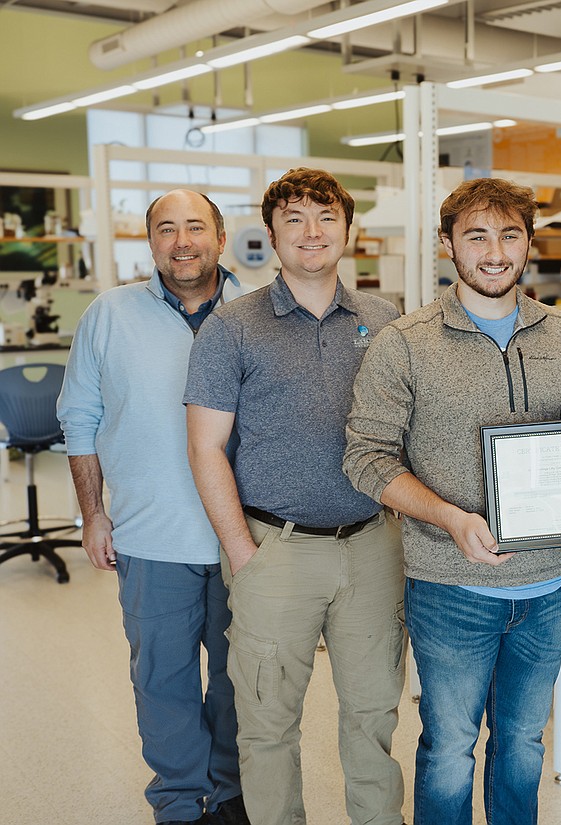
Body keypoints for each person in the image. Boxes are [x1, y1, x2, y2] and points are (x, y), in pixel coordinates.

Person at [342, 177, 561, 825]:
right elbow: (366, 456)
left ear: (528, 243)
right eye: (476, 235)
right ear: (447, 245)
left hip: (547, 585)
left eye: (510, 234)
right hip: (450, 587)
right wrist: (450, 517)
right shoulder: (406, 342)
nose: (494, 251)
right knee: (450, 747)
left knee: (521, 744)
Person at [183, 168, 405, 825]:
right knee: (268, 719)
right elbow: (204, 448)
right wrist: (242, 552)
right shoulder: (231, 328)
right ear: (271, 233)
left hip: (370, 547)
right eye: (296, 218)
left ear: (348, 230)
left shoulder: (384, 320)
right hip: (273, 551)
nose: (312, 232)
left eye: (326, 217)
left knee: (373, 711)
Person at [57, 189, 250, 825]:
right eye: (166, 229)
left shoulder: (258, 312)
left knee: (238, 683)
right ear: (150, 243)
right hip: (149, 536)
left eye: (196, 227)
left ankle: (230, 797)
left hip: (243, 540)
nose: (182, 241)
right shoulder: (109, 314)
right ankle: (180, 804)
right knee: (161, 682)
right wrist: (93, 515)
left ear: (221, 239)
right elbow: (79, 418)